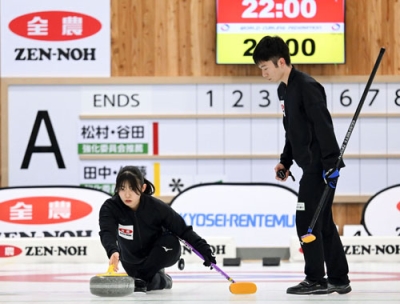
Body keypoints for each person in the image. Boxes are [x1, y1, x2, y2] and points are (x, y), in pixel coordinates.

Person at [252, 36, 351, 295]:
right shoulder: (284, 90)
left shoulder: (308, 86)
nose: (263, 74)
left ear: (281, 62)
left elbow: (323, 126)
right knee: (323, 222)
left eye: (265, 68)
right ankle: (339, 278)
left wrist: (331, 164)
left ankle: (316, 278)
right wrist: (285, 160)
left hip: (322, 165)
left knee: (306, 220)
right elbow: (292, 131)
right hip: (308, 165)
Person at [98, 165, 216, 293]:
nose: (127, 194)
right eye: (122, 188)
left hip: (158, 255)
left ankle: (145, 277)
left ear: (143, 187)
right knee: (147, 284)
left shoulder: (156, 207)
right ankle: (162, 280)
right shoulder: (110, 207)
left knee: (171, 242)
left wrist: (204, 248)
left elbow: (183, 230)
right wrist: (112, 251)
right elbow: (107, 231)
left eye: (132, 188)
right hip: (131, 261)